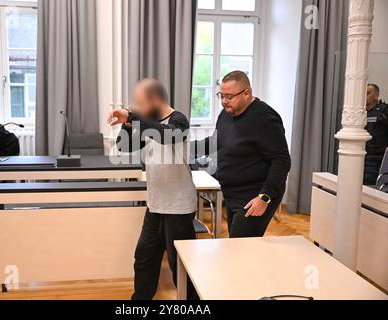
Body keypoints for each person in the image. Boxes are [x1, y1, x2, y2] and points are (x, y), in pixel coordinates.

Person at [108, 79, 197, 300]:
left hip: (178, 207)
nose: (136, 107)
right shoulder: (146, 122)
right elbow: (124, 146)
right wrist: (127, 124)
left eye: (139, 103)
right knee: (144, 258)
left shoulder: (178, 120)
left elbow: (166, 136)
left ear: (155, 100)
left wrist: (134, 117)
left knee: (182, 267)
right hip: (155, 205)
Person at [193, 71, 291, 238]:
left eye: (229, 96)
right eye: (221, 95)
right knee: (237, 247)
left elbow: (281, 160)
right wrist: (181, 148)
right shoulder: (227, 113)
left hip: (254, 195)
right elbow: (216, 141)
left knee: (240, 249)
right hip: (232, 193)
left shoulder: (265, 118)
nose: (224, 101)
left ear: (246, 93)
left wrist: (264, 197)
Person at [364, 83, 388, 185]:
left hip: (378, 159)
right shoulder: (360, 112)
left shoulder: (384, 111)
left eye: (368, 93)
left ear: (377, 95)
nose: (365, 97)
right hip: (363, 156)